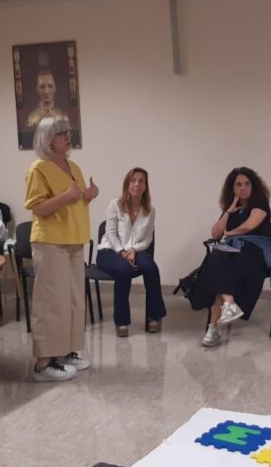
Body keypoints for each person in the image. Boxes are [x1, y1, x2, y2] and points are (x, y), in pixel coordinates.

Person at [24, 116, 98, 382]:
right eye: (60, 133)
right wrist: (67, 196)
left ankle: (66, 351)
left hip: (74, 239)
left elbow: (74, 202)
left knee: (73, 300)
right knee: (51, 302)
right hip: (50, 241)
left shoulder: (73, 166)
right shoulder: (39, 168)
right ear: (47, 139)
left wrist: (87, 196)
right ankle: (43, 363)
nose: (67, 137)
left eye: (68, 132)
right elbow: (38, 208)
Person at [201, 167, 271, 348]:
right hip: (233, 253)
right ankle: (228, 304)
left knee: (216, 264)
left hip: (255, 253)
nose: (243, 188)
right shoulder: (231, 207)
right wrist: (228, 211)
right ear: (232, 188)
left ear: (253, 186)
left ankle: (214, 327)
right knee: (218, 256)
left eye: (247, 184)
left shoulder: (260, 203)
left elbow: (249, 226)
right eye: (238, 184)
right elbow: (215, 233)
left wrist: (229, 233)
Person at [97, 167, 166, 337]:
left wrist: (133, 249)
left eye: (141, 181)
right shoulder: (115, 205)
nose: (137, 184)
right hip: (110, 250)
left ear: (145, 186)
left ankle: (154, 316)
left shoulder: (150, 210)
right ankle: (121, 321)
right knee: (123, 269)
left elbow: (148, 239)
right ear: (127, 184)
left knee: (151, 267)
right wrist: (122, 252)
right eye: (133, 180)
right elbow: (110, 233)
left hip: (135, 250)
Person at [19, 71, 78, 150]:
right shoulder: (31, 118)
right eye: (42, 87)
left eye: (50, 86)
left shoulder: (63, 116)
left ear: (55, 88)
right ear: (37, 89)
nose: (46, 91)